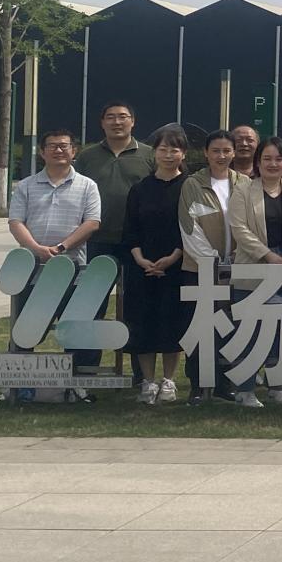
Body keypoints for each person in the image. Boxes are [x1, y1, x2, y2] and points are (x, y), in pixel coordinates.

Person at [7, 126, 105, 399]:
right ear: (42, 152)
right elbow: (16, 222)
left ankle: (80, 386)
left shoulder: (87, 185)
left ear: (74, 151)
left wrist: (62, 247)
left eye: (64, 145)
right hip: (32, 271)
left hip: (74, 269)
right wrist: (37, 249)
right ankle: (19, 387)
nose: (58, 150)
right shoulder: (26, 186)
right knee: (25, 328)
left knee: (77, 329)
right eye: (52, 146)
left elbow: (92, 223)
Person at [178, 129, 267, 407]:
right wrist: (213, 262)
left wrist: (239, 258)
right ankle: (198, 385)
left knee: (230, 328)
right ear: (206, 153)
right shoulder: (193, 184)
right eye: (215, 151)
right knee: (201, 328)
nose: (221, 156)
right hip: (201, 269)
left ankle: (224, 384)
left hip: (239, 267)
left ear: (234, 153)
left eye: (227, 151)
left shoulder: (244, 183)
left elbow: (252, 223)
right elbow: (189, 227)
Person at [72, 100, 152, 376]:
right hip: (97, 242)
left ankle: (142, 376)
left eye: (123, 117)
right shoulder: (88, 157)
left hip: (137, 245)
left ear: (133, 121)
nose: (117, 122)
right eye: (111, 117)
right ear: (102, 122)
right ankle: (86, 370)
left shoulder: (149, 155)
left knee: (137, 307)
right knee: (92, 305)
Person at [238, 136, 282, 405]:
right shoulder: (243, 190)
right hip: (253, 266)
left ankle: (277, 386)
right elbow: (239, 229)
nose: (273, 163)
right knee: (249, 329)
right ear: (258, 162)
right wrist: (268, 256)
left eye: (279, 158)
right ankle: (245, 389)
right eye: (266, 158)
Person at [121, 124, 188, 405]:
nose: (168, 155)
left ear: (183, 154)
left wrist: (174, 256)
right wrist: (140, 259)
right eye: (163, 149)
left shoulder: (189, 187)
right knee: (143, 324)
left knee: (172, 324)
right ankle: (148, 381)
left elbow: (191, 228)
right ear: (154, 153)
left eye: (174, 150)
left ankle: (169, 380)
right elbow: (131, 229)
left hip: (177, 267)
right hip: (142, 268)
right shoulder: (140, 189)